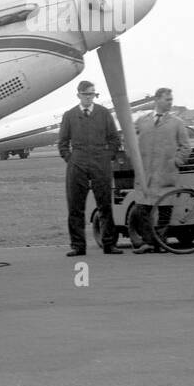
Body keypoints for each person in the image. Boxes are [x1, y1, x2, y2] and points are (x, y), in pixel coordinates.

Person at [57, 80, 123, 256]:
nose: (89, 97)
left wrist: (106, 157)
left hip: (100, 163)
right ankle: (78, 246)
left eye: (92, 94)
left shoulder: (104, 114)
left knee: (105, 205)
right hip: (77, 164)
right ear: (79, 95)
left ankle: (109, 244)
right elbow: (62, 143)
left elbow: (115, 139)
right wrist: (71, 159)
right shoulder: (69, 115)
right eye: (86, 94)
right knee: (75, 207)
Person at [128, 88, 191, 253]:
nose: (170, 102)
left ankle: (161, 243)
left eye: (171, 99)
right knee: (143, 208)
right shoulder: (142, 121)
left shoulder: (177, 122)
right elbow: (128, 140)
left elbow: (186, 147)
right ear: (157, 100)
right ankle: (148, 242)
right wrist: (135, 160)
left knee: (164, 208)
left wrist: (176, 162)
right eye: (167, 99)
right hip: (145, 173)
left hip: (166, 173)